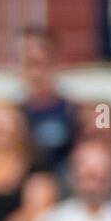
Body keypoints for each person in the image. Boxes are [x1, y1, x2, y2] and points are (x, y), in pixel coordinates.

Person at [18, 27, 74, 169]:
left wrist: (102, 120)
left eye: (42, 64)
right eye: (30, 65)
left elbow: (104, 116)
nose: (36, 74)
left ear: (57, 63)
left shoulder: (74, 110)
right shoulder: (12, 114)